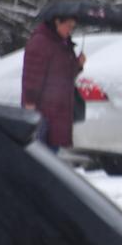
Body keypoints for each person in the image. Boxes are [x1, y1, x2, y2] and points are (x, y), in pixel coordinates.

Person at [21, 15, 86, 151]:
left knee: (50, 159)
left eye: (72, 27)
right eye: (68, 25)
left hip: (58, 112)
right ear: (57, 22)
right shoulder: (41, 42)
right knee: (38, 156)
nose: (70, 30)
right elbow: (32, 76)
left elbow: (64, 75)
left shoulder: (64, 44)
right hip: (41, 112)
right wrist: (30, 104)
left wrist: (78, 65)